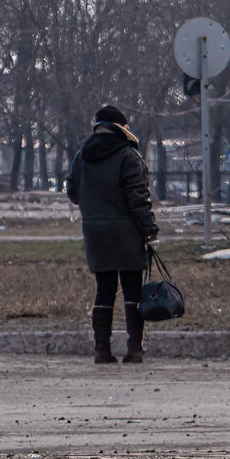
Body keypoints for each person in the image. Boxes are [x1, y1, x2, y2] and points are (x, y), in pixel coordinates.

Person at [66, 104, 159, 365]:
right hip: (127, 231)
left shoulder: (81, 156)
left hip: (95, 231)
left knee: (104, 290)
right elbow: (139, 199)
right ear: (121, 128)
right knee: (132, 291)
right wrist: (150, 231)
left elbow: (73, 192)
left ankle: (101, 351)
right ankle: (134, 350)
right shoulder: (128, 156)